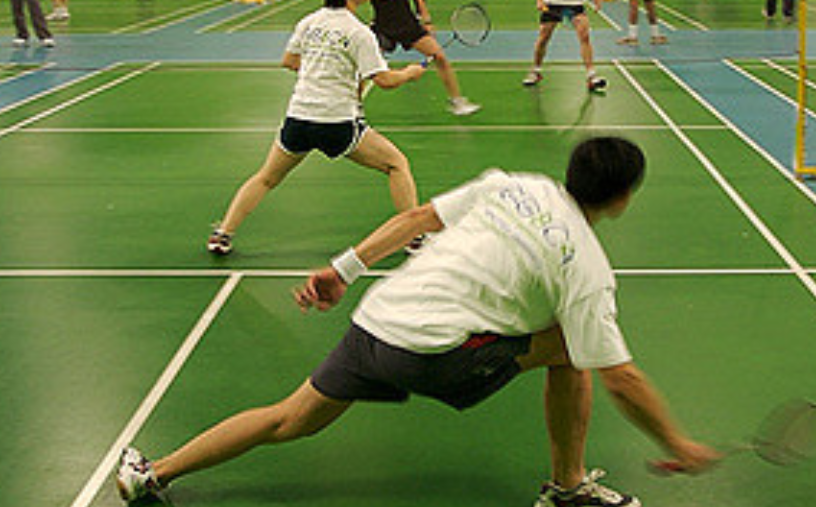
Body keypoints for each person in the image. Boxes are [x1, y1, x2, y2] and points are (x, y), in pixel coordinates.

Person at [119, 136, 721, 507]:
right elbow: (621, 378)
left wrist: (343, 268)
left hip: (379, 317)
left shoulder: (515, 186)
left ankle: (153, 474)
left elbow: (421, 218)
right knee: (572, 349)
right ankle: (567, 488)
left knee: (291, 417)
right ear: (621, 199)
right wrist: (678, 443)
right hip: (435, 352)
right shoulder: (588, 268)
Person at [206, 0, 427, 256]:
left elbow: (290, 61)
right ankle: (413, 236)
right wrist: (410, 74)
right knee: (396, 164)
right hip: (337, 123)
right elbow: (385, 80)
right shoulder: (360, 33)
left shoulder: (308, 23)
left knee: (266, 178)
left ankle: (222, 234)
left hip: (298, 119)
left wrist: (325, 71)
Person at [366, 0, 481, 116]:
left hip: (408, 26)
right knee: (364, 67)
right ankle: (354, 106)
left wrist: (427, 21)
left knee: (440, 57)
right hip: (383, 29)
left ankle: (457, 101)